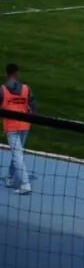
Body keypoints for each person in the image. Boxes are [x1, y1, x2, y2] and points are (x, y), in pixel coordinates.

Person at [3, 63, 33, 196]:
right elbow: (34, 105)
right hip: (25, 126)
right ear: (16, 73)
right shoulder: (26, 88)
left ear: (7, 74)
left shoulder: (2, 89)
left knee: (17, 154)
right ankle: (10, 177)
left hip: (12, 127)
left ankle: (25, 184)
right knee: (17, 153)